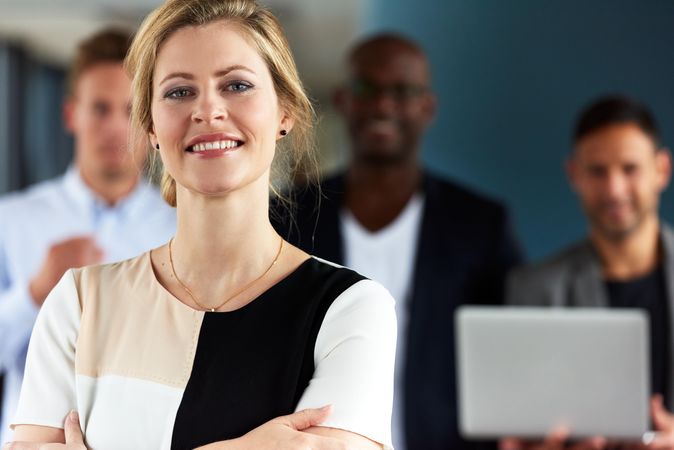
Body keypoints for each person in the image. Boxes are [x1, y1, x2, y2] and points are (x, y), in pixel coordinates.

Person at [6, 0, 396, 449]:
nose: (207, 110)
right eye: (178, 92)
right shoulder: (78, 302)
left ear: (284, 111)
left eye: (236, 85)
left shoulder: (351, 309)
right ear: (150, 125)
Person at [274, 33, 523, 450]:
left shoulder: (481, 225)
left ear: (427, 106)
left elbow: (513, 355)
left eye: (402, 91)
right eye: (366, 88)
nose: (384, 104)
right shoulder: (289, 218)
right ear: (342, 100)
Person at [0, 28, 176, 442]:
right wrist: (34, 293)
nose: (116, 127)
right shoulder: (11, 219)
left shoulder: (180, 228)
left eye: (130, 110)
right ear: (71, 114)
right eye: (99, 108)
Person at [504, 95, 674, 449]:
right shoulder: (533, 289)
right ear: (574, 175)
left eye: (630, 169)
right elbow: (518, 432)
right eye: (597, 171)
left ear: (662, 169)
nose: (614, 189)